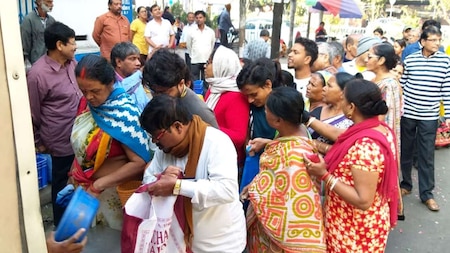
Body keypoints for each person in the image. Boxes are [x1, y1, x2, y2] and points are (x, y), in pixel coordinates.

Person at [140, 94, 247, 253]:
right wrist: (162, 177)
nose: (155, 142)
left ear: (178, 127)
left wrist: (178, 186)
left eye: (157, 136)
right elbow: (148, 178)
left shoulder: (217, 142)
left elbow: (226, 190)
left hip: (221, 243)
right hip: (182, 241)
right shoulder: (165, 150)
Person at [305, 79, 399, 253]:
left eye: (344, 100)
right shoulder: (377, 128)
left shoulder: (366, 146)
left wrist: (324, 175)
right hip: (352, 222)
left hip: (355, 231)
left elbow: (363, 200)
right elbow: (339, 136)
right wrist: (308, 120)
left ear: (351, 107)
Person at [71, 55, 150, 229]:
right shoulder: (87, 105)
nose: (89, 96)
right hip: (87, 193)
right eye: (83, 91)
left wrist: (99, 185)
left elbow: (139, 162)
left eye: (95, 91)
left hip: (113, 194)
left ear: (110, 83)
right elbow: (82, 145)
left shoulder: (125, 114)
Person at [244, 86, 326, 252]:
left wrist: (254, 188)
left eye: (267, 110)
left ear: (278, 120)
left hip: (280, 239)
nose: (265, 112)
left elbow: (282, 199)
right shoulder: (297, 134)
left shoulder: (294, 155)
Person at [26, 21, 81, 227]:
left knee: (79, 181)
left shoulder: (73, 64)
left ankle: (76, 223)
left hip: (80, 136)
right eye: (72, 43)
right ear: (59, 45)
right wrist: (39, 141)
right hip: (60, 140)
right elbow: (33, 112)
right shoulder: (38, 74)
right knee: (61, 185)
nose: (75, 47)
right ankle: (62, 229)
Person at [399, 26, 450, 211]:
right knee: (406, 150)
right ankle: (405, 185)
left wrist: (449, 115)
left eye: (439, 40)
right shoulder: (410, 60)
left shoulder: (445, 61)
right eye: (433, 40)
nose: (437, 43)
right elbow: (402, 85)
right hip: (409, 114)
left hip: (429, 115)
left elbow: (447, 89)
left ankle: (427, 194)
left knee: (426, 155)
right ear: (423, 41)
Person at [366, 42, 404, 218]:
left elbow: (385, 118)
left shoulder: (389, 84)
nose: (366, 60)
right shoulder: (375, 80)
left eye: (370, 57)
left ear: (381, 60)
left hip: (378, 140)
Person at [236, 58, 283, 189]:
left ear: (268, 85)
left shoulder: (284, 106)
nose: (250, 100)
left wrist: (267, 143)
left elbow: (295, 140)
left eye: (254, 94)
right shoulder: (252, 107)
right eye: (246, 96)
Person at [142, 48, 218, 128]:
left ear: (181, 84)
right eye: (154, 92)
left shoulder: (200, 113)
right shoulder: (164, 104)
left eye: (163, 92)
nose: (158, 97)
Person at [204, 46, 249, 167]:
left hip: (227, 161)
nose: (205, 66)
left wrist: (205, 128)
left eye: (209, 63)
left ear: (221, 65)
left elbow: (239, 137)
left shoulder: (236, 97)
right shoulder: (213, 89)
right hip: (211, 156)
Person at [309, 72, 354, 154]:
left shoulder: (351, 119)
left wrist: (318, 145)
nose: (324, 88)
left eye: (329, 86)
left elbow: (345, 150)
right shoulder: (318, 110)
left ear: (343, 93)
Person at [110, 42, 149, 111]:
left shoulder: (136, 79)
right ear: (118, 62)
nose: (138, 63)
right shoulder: (109, 83)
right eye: (132, 59)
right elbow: (122, 90)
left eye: (138, 59)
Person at [21, 0, 56, 68]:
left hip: (50, 62)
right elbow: (25, 43)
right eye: (49, 2)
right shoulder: (29, 20)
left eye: (52, 2)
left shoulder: (51, 20)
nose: (52, 5)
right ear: (39, 2)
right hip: (35, 62)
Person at [186, 10, 216, 81]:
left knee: (206, 80)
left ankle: (206, 92)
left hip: (206, 60)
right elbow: (189, 45)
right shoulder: (191, 31)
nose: (199, 19)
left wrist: (209, 56)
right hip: (195, 60)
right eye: (197, 18)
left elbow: (212, 45)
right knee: (194, 81)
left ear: (204, 18)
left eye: (200, 17)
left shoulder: (210, 31)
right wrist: (192, 55)